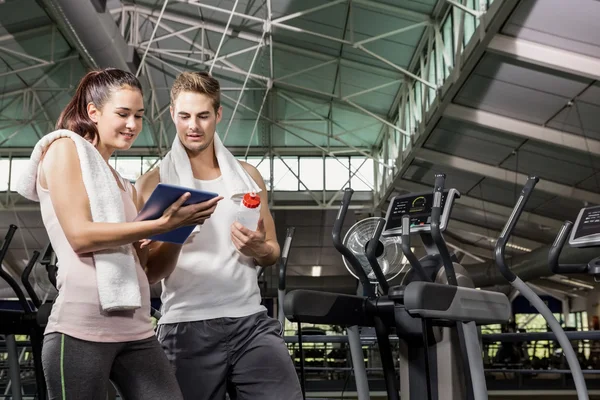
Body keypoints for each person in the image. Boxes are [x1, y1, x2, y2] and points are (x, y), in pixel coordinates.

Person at [16, 68, 222, 400]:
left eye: (139, 116)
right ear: (93, 112)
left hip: (136, 330)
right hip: (80, 328)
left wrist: (178, 230)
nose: (133, 125)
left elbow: (149, 271)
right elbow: (80, 236)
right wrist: (158, 225)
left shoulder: (121, 185)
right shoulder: (64, 149)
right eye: (123, 114)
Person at [136, 71, 303, 400]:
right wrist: (177, 230)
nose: (193, 126)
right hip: (185, 325)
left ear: (218, 115)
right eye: (184, 116)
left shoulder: (247, 176)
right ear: (172, 114)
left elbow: (271, 253)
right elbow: (149, 273)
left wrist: (257, 247)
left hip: (251, 322)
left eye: (202, 116)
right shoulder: (151, 185)